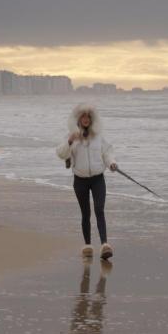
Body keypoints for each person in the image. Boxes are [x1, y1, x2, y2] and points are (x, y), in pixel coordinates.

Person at [57, 103, 118, 260]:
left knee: (99, 209)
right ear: (78, 119)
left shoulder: (98, 137)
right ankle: (88, 246)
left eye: (88, 117)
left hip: (98, 179)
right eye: (82, 116)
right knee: (86, 214)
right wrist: (70, 141)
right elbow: (61, 154)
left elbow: (107, 152)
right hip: (80, 180)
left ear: (91, 119)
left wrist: (111, 163)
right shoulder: (72, 136)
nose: (85, 119)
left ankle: (105, 245)